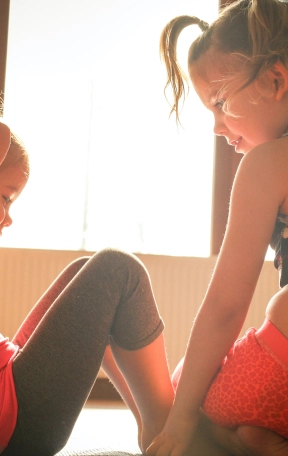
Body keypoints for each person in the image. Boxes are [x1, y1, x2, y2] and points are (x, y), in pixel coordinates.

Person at [0, 92, 185, 456]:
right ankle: (171, 427)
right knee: (118, 270)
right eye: (6, 198)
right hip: (12, 423)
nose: (8, 219)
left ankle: (155, 427)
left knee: (82, 273)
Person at [146, 0, 288, 455]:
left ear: (275, 80)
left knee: (181, 394)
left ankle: (242, 440)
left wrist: (180, 422)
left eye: (221, 103)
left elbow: (226, 305)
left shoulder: (268, 164)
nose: (216, 127)